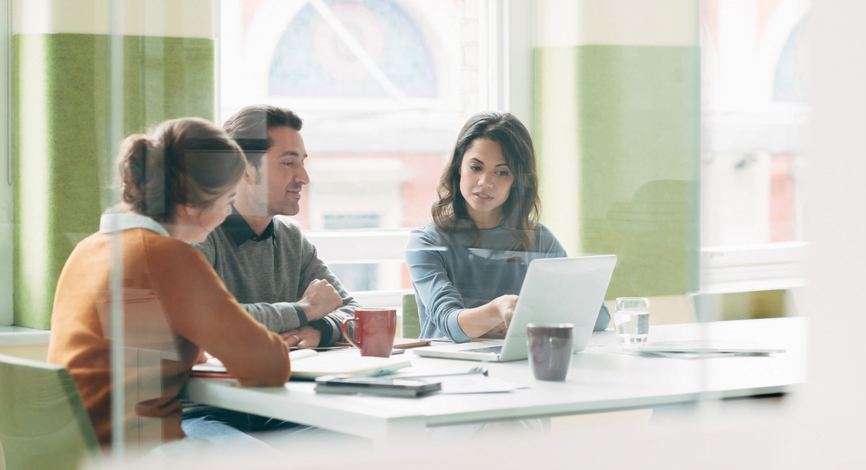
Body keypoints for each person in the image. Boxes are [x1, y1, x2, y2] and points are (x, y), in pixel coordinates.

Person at [46, 118, 291, 451]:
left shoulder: (90, 248)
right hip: (139, 453)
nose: (228, 211)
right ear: (191, 203)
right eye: (228, 198)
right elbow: (268, 366)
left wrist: (187, 344)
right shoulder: (168, 256)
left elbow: (126, 345)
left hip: (77, 452)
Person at [406, 112, 610, 342]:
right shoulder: (427, 243)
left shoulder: (538, 239)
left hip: (523, 364)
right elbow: (449, 324)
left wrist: (523, 316)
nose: (485, 182)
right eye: (476, 167)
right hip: (450, 370)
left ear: (517, 181)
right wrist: (497, 311)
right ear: (458, 167)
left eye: (502, 172)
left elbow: (599, 316)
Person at [192, 105, 359, 349]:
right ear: (244, 169)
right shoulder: (198, 233)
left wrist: (320, 330)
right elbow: (205, 318)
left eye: (302, 162)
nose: (303, 177)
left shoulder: (291, 237)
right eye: (288, 162)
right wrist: (304, 309)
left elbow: (355, 312)